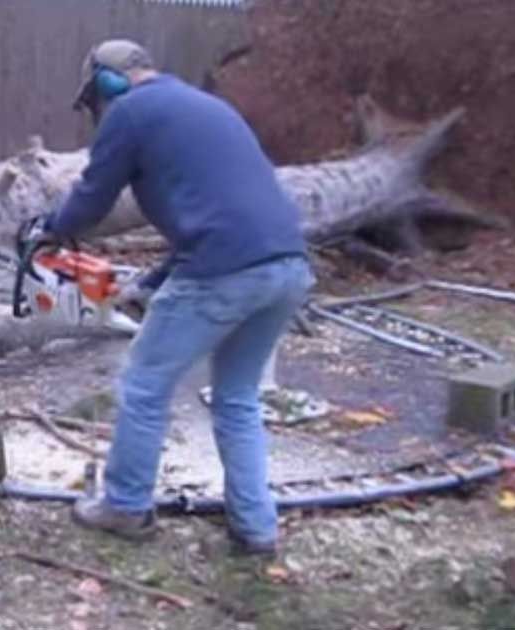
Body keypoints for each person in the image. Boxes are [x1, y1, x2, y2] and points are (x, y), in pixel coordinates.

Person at [39, 39, 314, 555]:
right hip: (287, 266)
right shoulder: (207, 107)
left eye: (95, 99)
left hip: (224, 268)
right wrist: (154, 282)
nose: (98, 112)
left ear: (106, 82)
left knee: (145, 383)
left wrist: (51, 229)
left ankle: (125, 506)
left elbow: (93, 196)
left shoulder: (131, 112)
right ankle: (256, 529)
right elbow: (223, 216)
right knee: (236, 397)